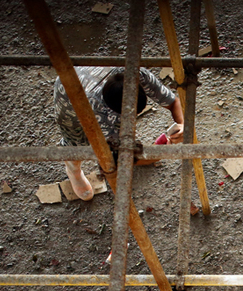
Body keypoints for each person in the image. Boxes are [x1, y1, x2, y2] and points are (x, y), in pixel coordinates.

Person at [54, 66, 184, 201]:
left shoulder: (135, 73)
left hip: (84, 73)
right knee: (75, 143)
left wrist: (182, 124)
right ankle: (73, 171)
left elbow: (174, 102)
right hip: (69, 95)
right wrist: (162, 152)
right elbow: (122, 158)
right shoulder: (99, 113)